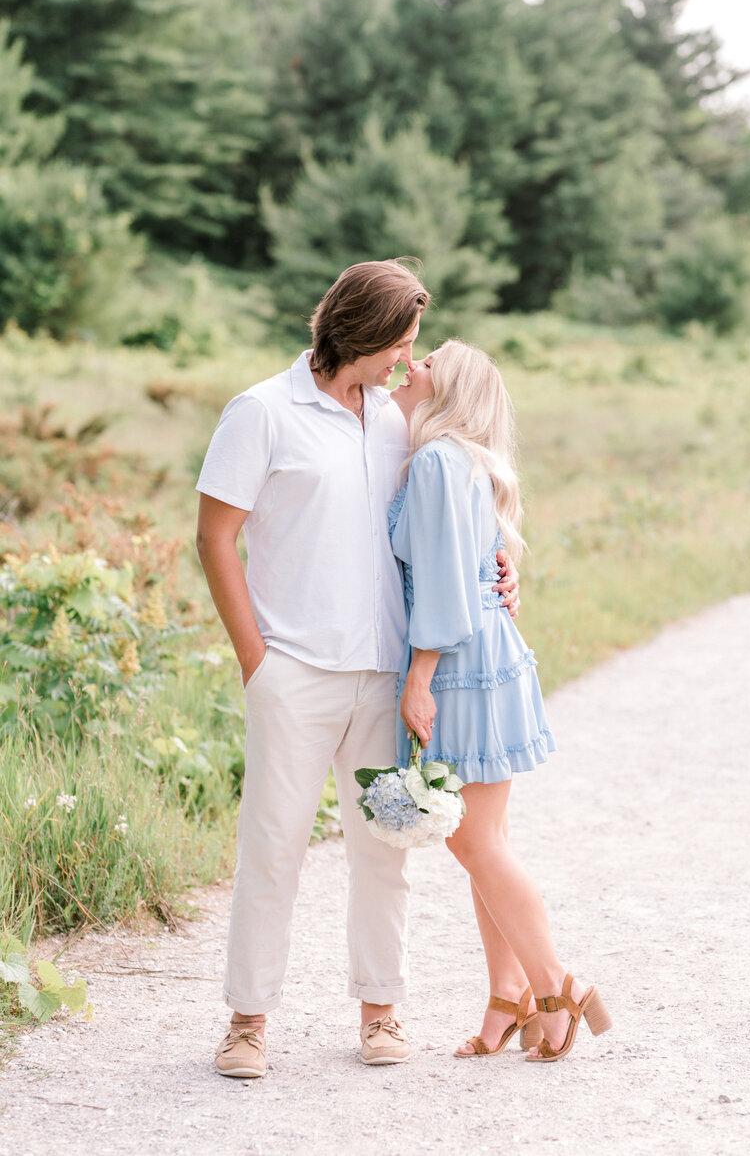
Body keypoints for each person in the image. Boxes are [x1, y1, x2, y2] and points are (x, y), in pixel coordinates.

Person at [195, 262, 519, 1076]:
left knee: (386, 850)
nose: (410, 363)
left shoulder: (396, 419)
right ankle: (246, 1022)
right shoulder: (262, 412)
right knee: (272, 846)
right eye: (400, 346)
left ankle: (381, 1012)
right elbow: (214, 537)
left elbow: (451, 511)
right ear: (362, 334)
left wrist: (499, 565)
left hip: (383, 673)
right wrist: (255, 660)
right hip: (292, 671)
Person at [388, 339, 612, 1062]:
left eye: (428, 362)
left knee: (472, 839)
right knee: (483, 841)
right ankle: (507, 995)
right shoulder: (459, 461)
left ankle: (557, 987)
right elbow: (475, 565)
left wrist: (419, 676)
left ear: (446, 389)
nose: (412, 366)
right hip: (486, 651)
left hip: (462, 660)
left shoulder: (434, 462)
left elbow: (450, 586)